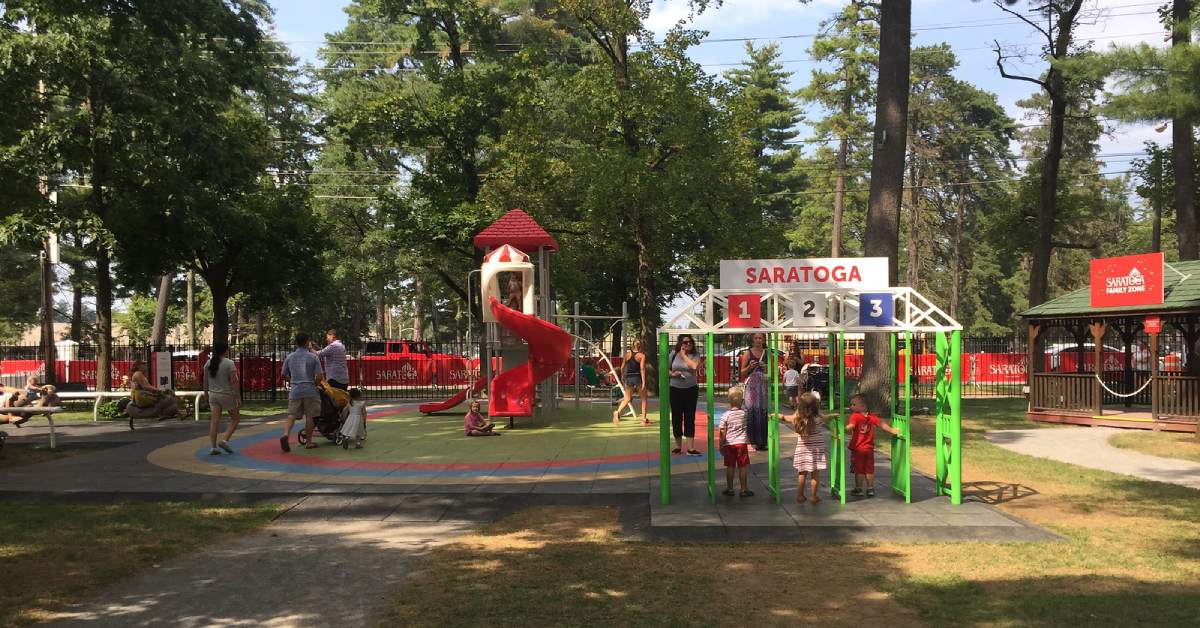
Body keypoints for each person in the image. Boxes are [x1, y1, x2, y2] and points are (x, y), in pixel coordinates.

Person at [845, 393, 899, 497]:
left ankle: (859, 488)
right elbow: (882, 424)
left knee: (859, 469)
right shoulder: (872, 417)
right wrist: (892, 430)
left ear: (863, 406)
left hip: (858, 449)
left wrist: (847, 428)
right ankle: (870, 488)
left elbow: (851, 426)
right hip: (869, 449)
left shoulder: (855, 416)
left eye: (853, 404)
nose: (851, 406)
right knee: (869, 469)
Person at [781, 393, 830, 504]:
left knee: (802, 474)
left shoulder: (798, 419)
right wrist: (832, 416)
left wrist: (779, 416)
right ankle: (813, 496)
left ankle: (800, 495)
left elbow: (786, 418)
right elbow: (826, 418)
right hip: (816, 451)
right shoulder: (818, 419)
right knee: (815, 475)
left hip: (802, 451)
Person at [281, 332, 324, 452]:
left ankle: (285, 434)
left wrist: (291, 381)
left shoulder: (290, 357)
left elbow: (283, 374)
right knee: (310, 415)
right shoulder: (313, 357)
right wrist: (315, 384)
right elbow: (320, 375)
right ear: (307, 342)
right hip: (309, 389)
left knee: (292, 414)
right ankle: (309, 441)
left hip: (295, 389)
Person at [202, 341, 240, 455]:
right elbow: (234, 381)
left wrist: (205, 395)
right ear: (225, 351)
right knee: (235, 418)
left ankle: (213, 447)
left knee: (215, 421)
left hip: (213, 395)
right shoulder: (229, 363)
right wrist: (237, 396)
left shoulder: (208, 363)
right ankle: (225, 440)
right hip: (226, 394)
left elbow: (205, 382)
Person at [668, 334, 703, 456]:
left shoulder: (695, 355)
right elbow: (665, 369)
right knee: (676, 417)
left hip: (691, 389)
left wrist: (683, 355)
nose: (688, 344)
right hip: (675, 389)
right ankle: (678, 446)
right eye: (685, 342)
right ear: (680, 344)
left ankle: (691, 448)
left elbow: (694, 366)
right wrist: (672, 374)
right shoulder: (672, 355)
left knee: (689, 417)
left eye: (690, 342)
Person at [718, 385, 752, 498]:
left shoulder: (726, 415)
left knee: (730, 467)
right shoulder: (744, 414)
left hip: (729, 445)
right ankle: (743, 489)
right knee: (743, 467)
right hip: (741, 444)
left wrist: (721, 444)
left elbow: (722, 431)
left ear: (729, 401)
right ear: (742, 401)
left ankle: (730, 488)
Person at [738, 333, 770, 451]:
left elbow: (772, 371)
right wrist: (750, 367)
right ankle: (752, 441)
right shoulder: (748, 353)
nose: (758, 340)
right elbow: (742, 372)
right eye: (756, 338)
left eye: (760, 338)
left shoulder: (767, 353)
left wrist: (766, 367)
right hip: (751, 388)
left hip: (763, 387)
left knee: (763, 413)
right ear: (752, 340)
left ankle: (763, 441)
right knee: (752, 412)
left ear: (763, 339)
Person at [612, 339, 649, 425]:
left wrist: (622, 377)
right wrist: (643, 382)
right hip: (637, 377)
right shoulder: (641, 356)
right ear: (640, 346)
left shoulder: (627, 355)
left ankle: (617, 412)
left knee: (627, 398)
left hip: (629, 377)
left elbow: (622, 367)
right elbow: (642, 369)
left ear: (632, 345)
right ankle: (643, 419)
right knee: (644, 398)